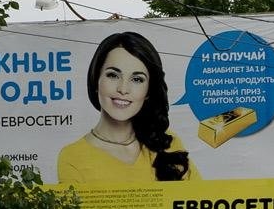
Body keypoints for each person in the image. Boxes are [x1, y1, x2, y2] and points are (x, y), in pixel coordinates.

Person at [57, 31, 200, 184]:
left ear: (148, 92)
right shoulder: (72, 157)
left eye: (137, 79)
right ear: (96, 79)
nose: (123, 89)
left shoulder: (167, 143)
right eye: (113, 75)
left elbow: (200, 201)